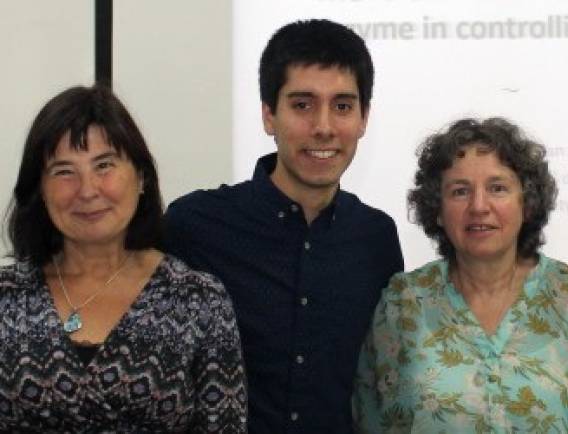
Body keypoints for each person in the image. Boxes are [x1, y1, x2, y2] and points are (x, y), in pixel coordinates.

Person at [163, 19, 404, 433]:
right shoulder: (194, 226)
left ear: (364, 119)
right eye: (302, 104)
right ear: (268, 115)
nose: (324, 126)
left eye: (343, 106)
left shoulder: (376, 239)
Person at [0, 85, 247, 432]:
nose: (87, 190)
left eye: (104, 165)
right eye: (64, 171)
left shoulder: (197, 300)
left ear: (141, 177)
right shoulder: (7, 298)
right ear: (40, 190)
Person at [353, 117, 568, 433]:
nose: (479, 206)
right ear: (437, 208)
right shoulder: (403, 303)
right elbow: (368, 419)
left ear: (527, 202)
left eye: (497, 188)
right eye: (460, 191)